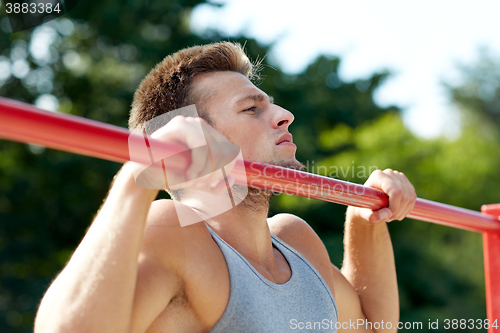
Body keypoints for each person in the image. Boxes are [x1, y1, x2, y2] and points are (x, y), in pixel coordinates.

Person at [34, 42, 416, 333]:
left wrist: (366, 218)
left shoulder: (295, 238)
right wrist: (136, 179)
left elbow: (371, 326)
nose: (285, 116)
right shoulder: (174, 233)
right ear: (191, 137)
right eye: (252, 109)